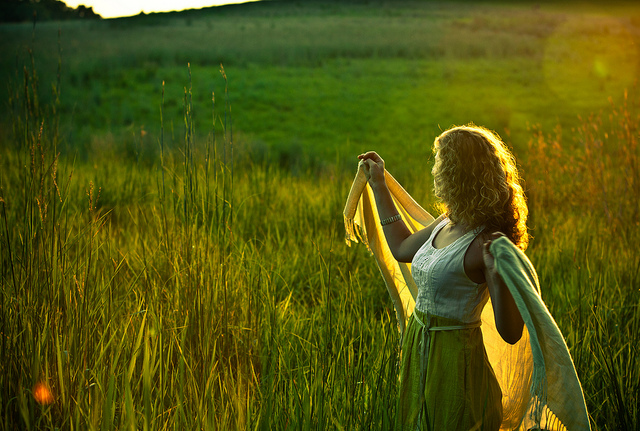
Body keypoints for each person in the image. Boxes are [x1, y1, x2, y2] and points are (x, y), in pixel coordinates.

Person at [358, 124, 528, 430]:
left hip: (456, 360)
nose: (436, 170)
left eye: (441, 163)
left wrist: (497, 273)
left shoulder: (488, 241)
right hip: (419, 344)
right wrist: (379, 184)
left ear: (457, 173)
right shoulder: (448, 220)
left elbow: (512, 332)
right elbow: (401, 247)